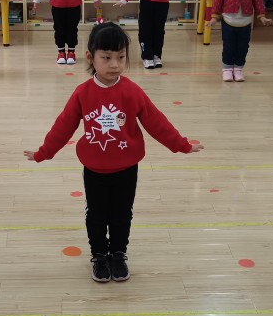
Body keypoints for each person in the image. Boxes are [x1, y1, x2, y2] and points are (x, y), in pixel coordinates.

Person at [24, 23, 204, 283]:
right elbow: (63, 127)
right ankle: (99, 255)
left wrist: (182, 145)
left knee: (122, 214)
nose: (115, 65)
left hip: (127, 169)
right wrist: (43, 153)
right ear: (91, 57)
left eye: (120, 57)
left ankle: (118, 254)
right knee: (96, 215)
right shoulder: (82, 93)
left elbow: (156, 122)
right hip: (94, 170)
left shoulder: (132, 92)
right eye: (106, 58)